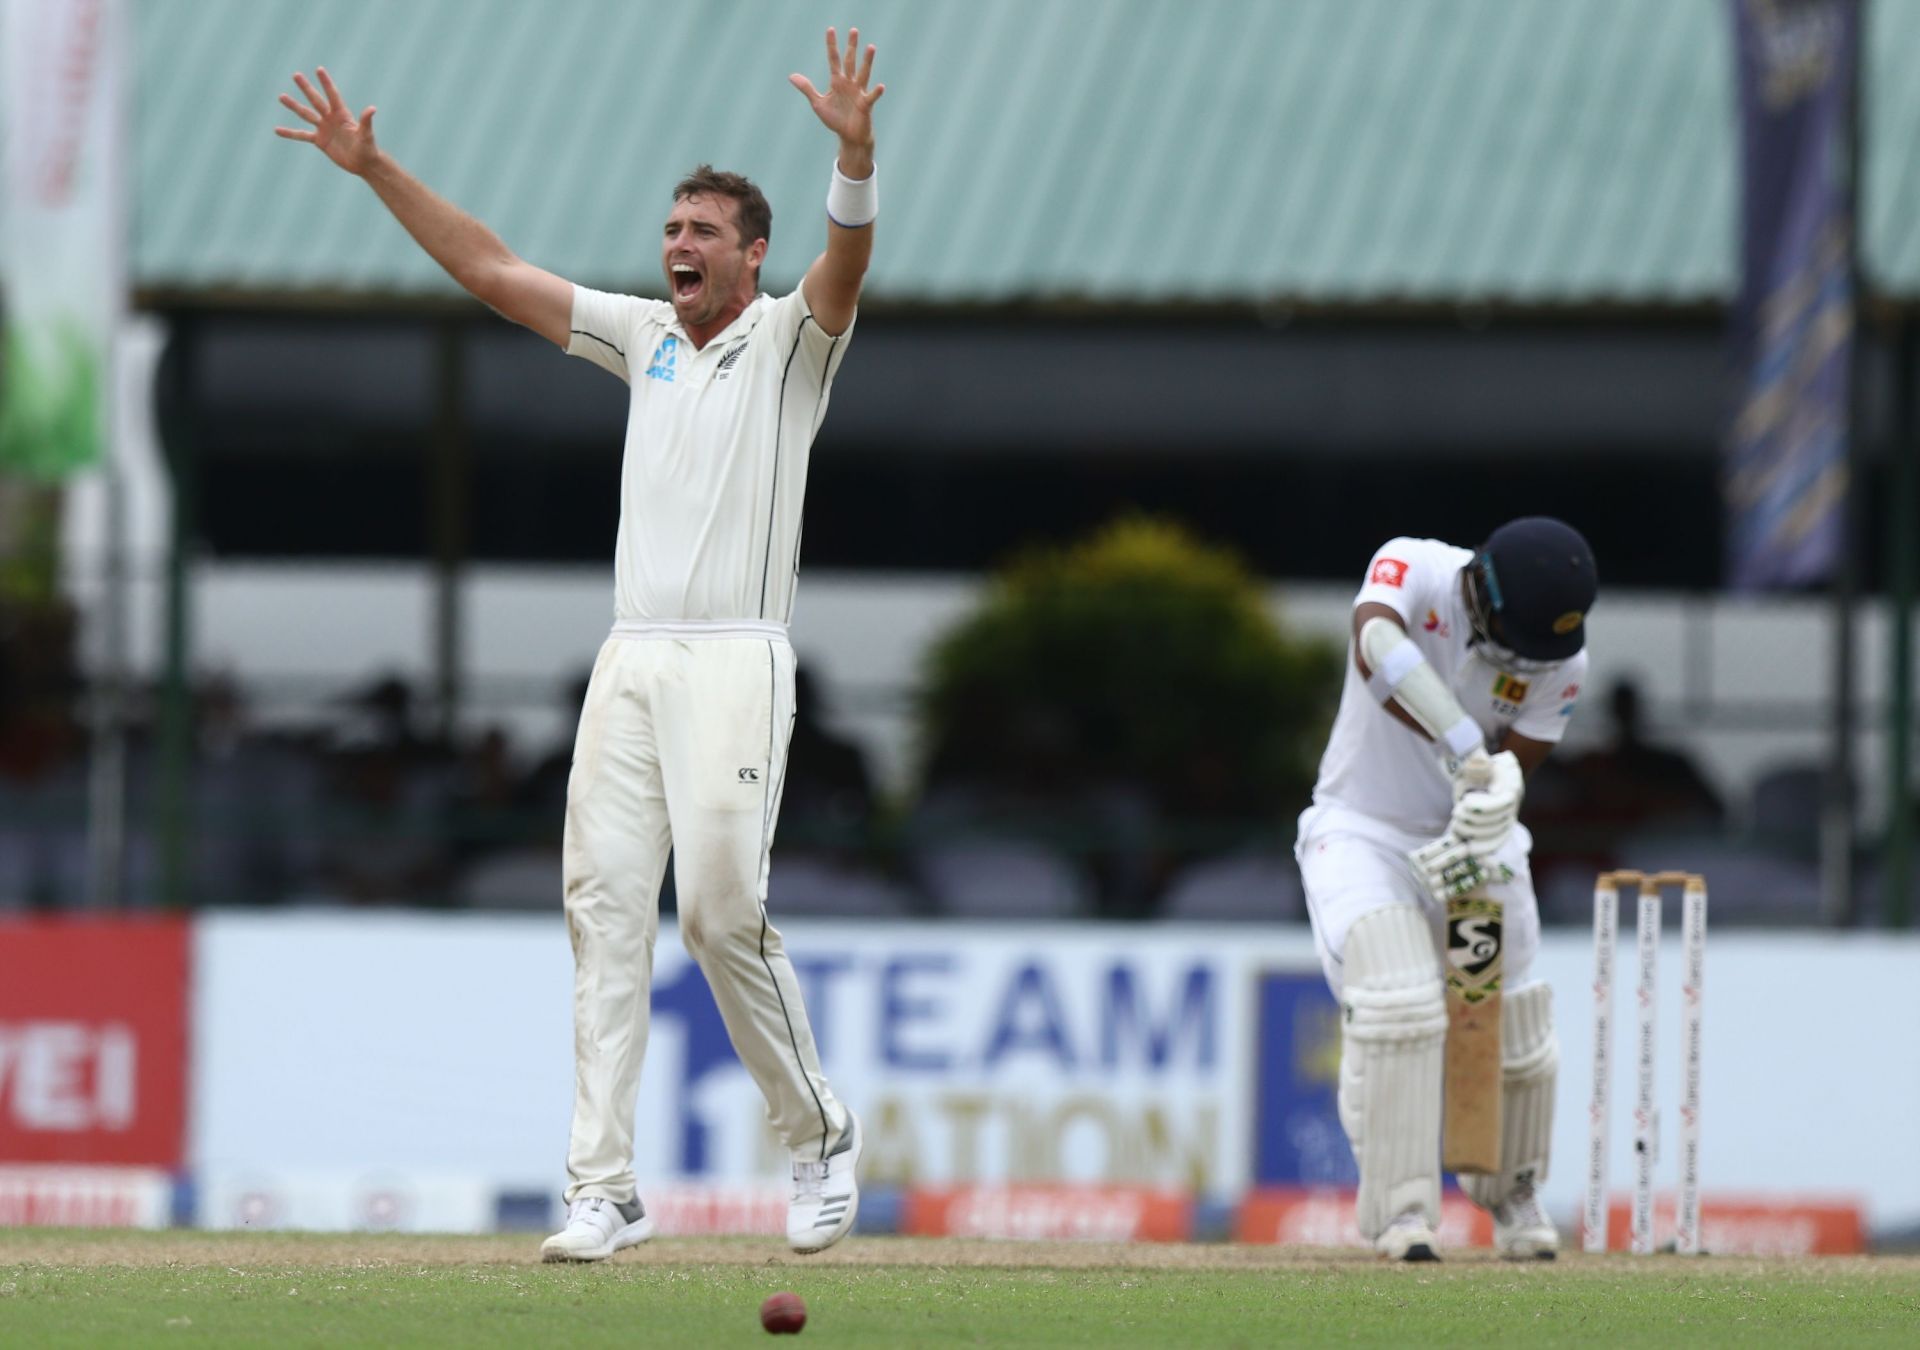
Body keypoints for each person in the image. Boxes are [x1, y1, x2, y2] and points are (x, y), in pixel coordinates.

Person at [276, 26, 885, 1261]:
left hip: (735, 657)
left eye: (703, 234)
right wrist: (376, 173)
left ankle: (816, 1135)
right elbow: (495, 271)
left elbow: (847, 262)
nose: (678, 247)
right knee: (605, 913)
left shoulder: (788, 346)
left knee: (718, 914)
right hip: (632, 658)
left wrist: (857, 155)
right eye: (672, 230)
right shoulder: (640, 337)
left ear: (749, 255)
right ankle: (602, 1188)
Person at [1294, 517, 1597, 1261]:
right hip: (1363, 830)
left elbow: (1521, 755)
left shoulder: (1561, 658)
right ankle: (1403, 1218)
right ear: (1484, 591)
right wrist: (1464, 744)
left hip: (1467, 843)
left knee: (1507, 1018)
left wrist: (1501, 792)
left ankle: (1514, 1191)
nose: (1529, 658)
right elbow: (1377, 647)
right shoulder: (1414, 566)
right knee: (1398, 1004)